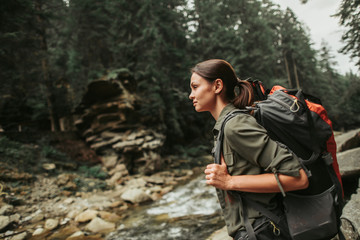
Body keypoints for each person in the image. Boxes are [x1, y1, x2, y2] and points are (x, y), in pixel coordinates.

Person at [189, 59, 309, 240]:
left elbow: (298, 178)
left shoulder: (235, 125)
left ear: (217, 86)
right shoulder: (224, 126)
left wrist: (229, 182)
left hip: (264, 231)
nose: (191, 95)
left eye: (195, 87)